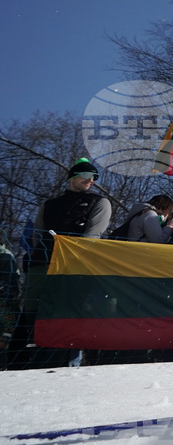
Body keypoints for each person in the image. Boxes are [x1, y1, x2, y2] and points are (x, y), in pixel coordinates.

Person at [10, 158, 113, 370]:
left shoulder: (99, 202)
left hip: (74, 269)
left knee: (68, 316)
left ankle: (68, 365)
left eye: (94, 177)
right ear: (72, 177)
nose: (91, 180)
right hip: (42, 264)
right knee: (33, 313)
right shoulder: (49, 205)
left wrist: (71, 256)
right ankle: (21, 364)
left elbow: (92, 237)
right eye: (86, 175)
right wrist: (44, 253)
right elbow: (38, 235)